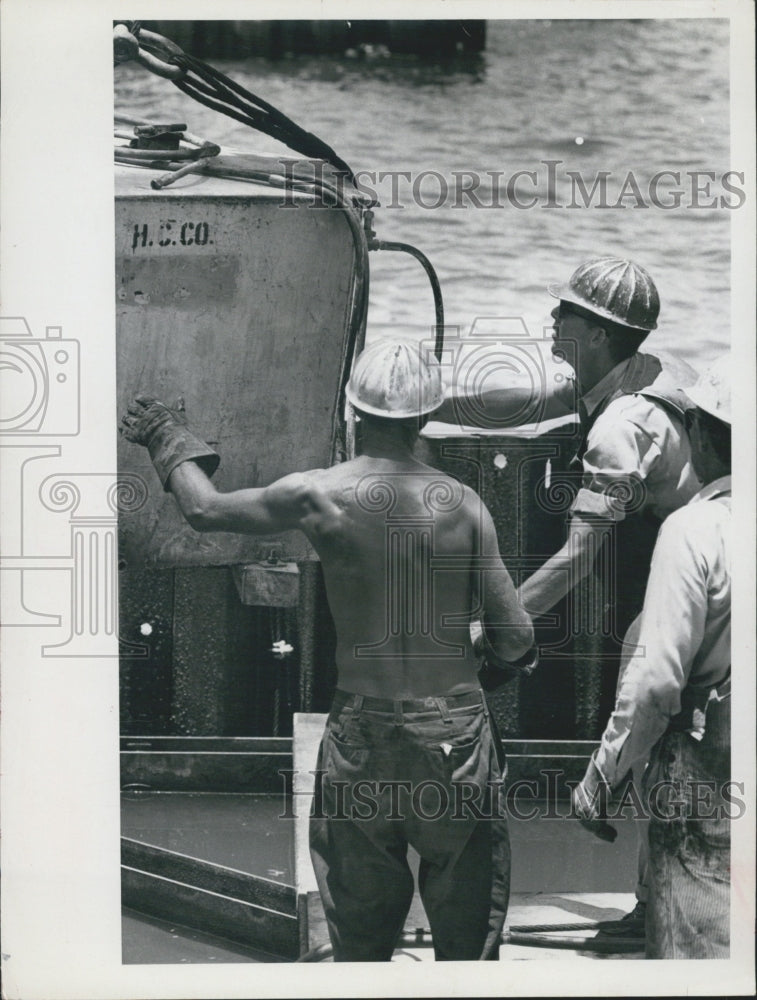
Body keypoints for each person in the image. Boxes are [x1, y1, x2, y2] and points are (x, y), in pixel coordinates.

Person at [120, 337, 536, 961]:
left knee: (360, 941)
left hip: (362, 733)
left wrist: (165, 435)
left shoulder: (318, 496)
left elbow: (204, 511)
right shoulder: (465, 506)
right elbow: (518, 636)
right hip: (451, 734)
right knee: (468, 937)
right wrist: (484, 652)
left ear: (353, 413)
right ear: (425, 418)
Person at [439, 256, 703, 937]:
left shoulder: (618, 427)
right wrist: (424, 405)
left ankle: (654, 901)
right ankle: (653, 906)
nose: (552, 320)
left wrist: (491, 629)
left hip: (704, 571)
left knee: (662, 724)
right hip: (707, 547)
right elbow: (524, 405)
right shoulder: (638, 374)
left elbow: (576, 558)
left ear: (597, 332)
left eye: (566, 313)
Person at [573, 355, 732, 958]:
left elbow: (657, 684)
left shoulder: (695, 531)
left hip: (711, 776)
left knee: (697, 948)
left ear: (696, 435)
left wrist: (602, 775)